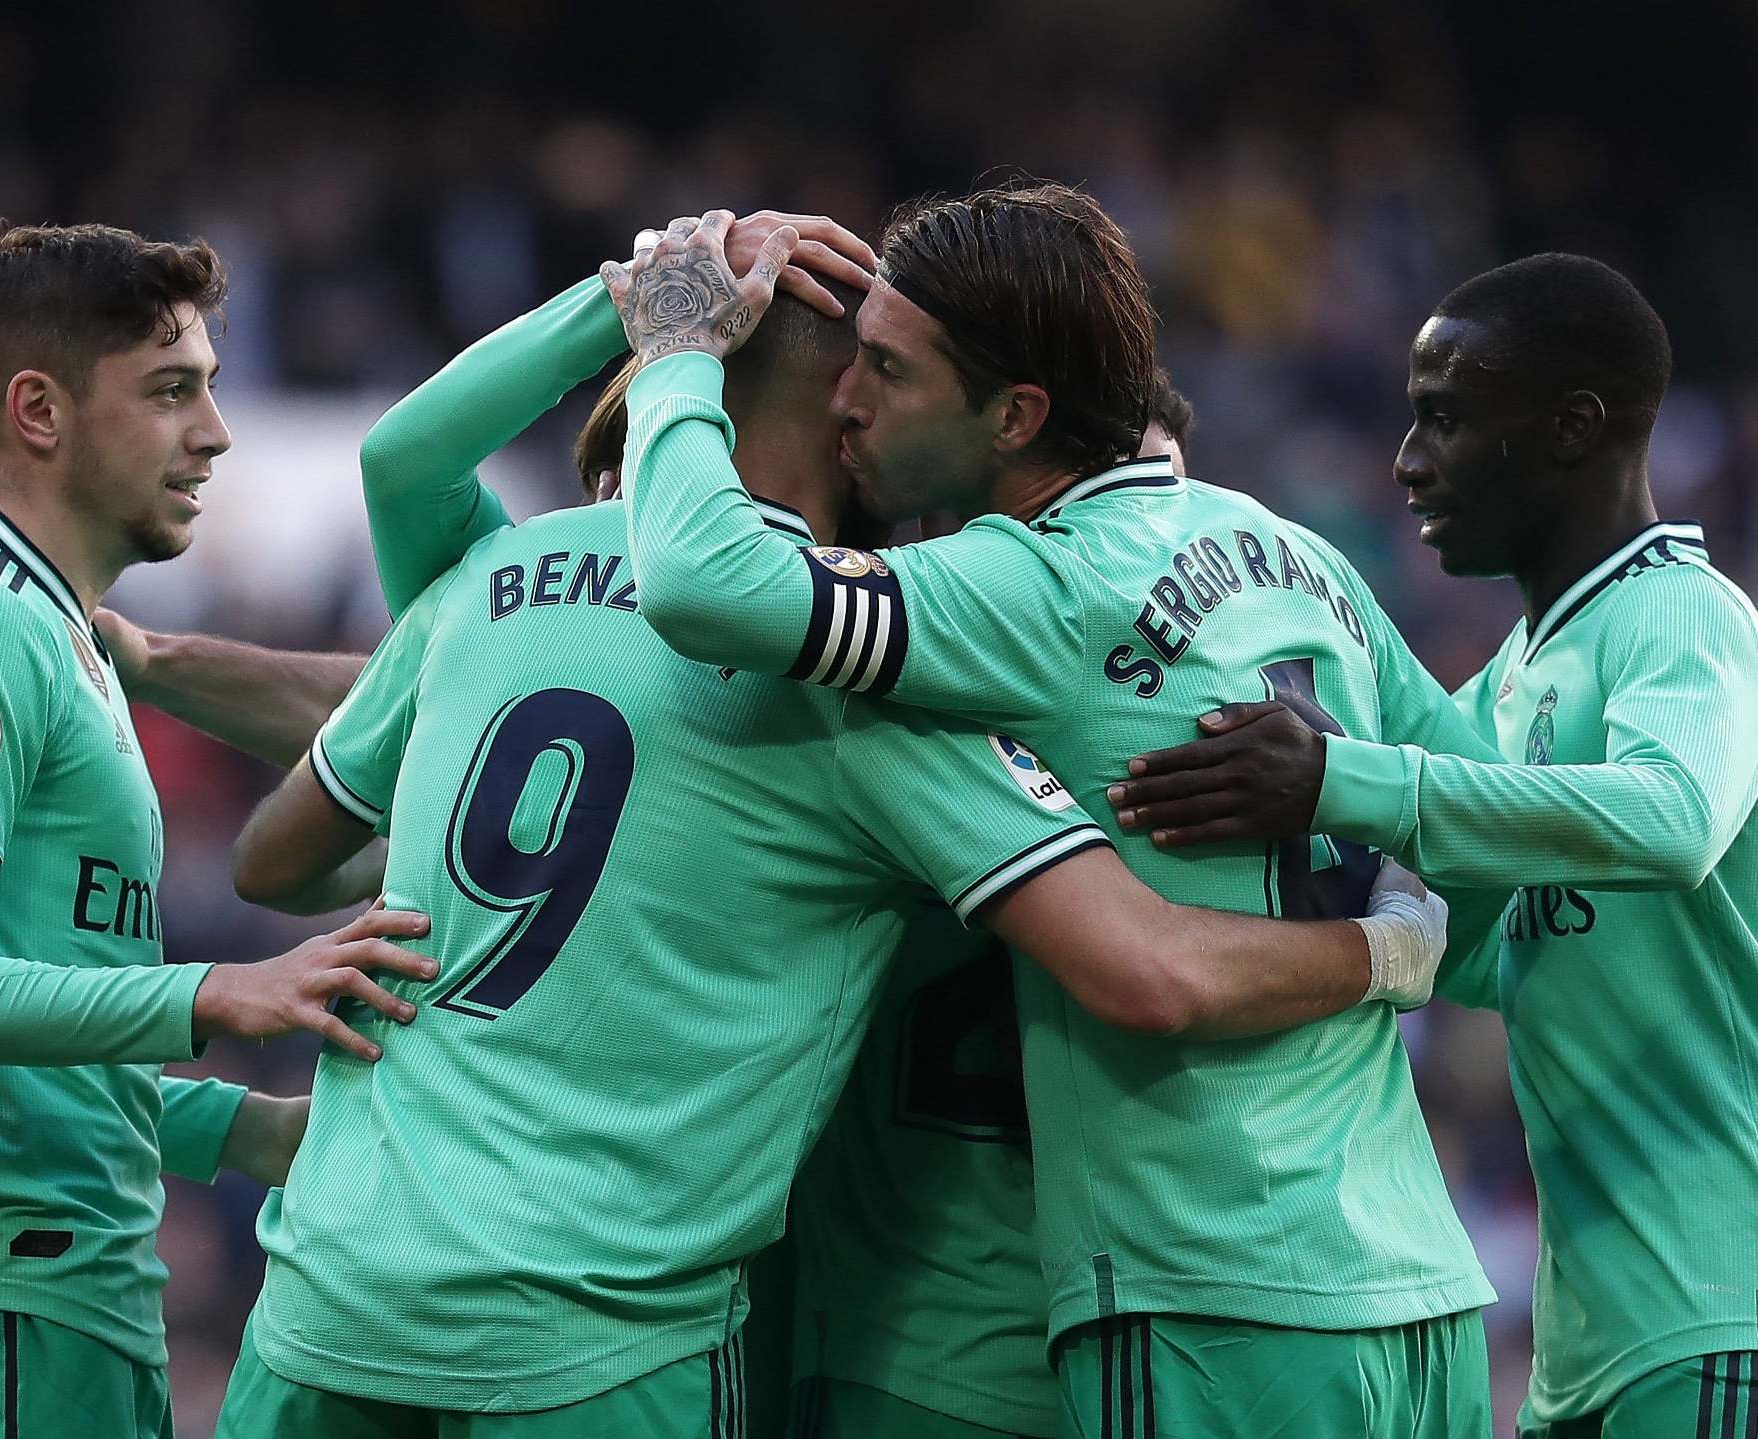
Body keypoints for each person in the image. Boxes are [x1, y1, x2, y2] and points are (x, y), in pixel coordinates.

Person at [200, 224, 1447, 1438]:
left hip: (333, 1286)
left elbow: (390, 499)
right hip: (655, 1328)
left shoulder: (493, 581)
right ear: (852, 433)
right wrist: (1394, 948)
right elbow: (1148, 965)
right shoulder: (872, 691)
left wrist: (650, 297)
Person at [605, 191, 1503, 1436]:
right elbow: (1489, 837)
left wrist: (672, 347)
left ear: (1017, 415)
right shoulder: (1299, 555)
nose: (848, 402)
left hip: (1191, 1286)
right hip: (1414, 1279)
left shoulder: (1023, 586)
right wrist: (1394, 907)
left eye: (884, 368)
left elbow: (703, 581)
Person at [1106, 253, 1758, 1439]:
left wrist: (1342, 777)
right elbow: (1468, 953)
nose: (1406, 460)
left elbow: (1671, 819)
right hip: (1591, 1332)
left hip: (1718, 1305)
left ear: (1571, 428)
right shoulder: (1511, 680)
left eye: (1445, 419)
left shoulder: (1679, 610)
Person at [0, 222, 437, 1439]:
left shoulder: (78, 648)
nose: (213, 434)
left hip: (60, 1295)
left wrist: (257, 1128)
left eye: (209, 389)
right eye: (171, 393)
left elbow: (17, 1061)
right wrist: (218, 990)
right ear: (40, 412)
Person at [781, 371, 1198, 1439]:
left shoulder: (850, 717)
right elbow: (1153, 967)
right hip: (1072, 1323)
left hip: (918, 1338)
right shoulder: (1159, 732)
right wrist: (1382, 948)